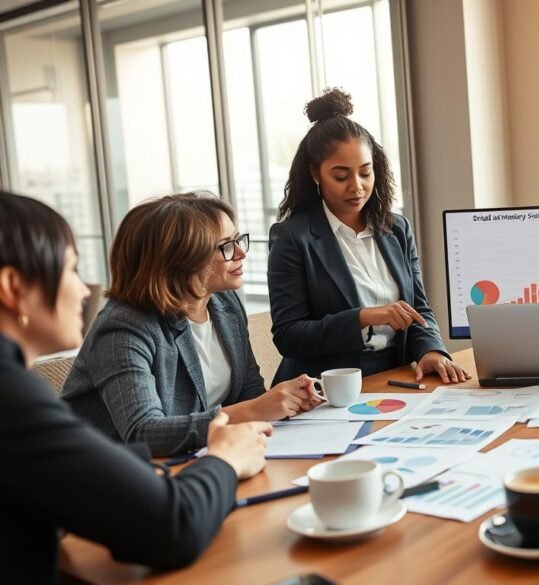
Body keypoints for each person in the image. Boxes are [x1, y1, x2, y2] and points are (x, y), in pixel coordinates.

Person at [0, 191, 270, 584]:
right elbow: (172, 527)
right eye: (71, 270)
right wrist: (224, 458)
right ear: (12, 287)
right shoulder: (13, 399)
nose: (84, 290)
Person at [63, 193, 318, 456]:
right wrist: (256, 409)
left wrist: (285, 402)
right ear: (180, 260)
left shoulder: (224, 303)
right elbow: (143, 432)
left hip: (199, 458)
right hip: (113, 474)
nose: (241, 252)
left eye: (238, 239)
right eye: (226, 246)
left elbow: (248, 391)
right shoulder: (123, 328)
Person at [268, 88, 468, 385]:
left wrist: (430, 350)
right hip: (326, 387)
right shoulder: (292, 237)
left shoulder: (396, 228)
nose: (357, 186)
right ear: (315, 173)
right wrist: (363, 317)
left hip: (395, 374)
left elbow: (418, 308)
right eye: (341, 176)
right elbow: (289, 336)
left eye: (365, 172)